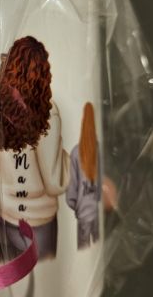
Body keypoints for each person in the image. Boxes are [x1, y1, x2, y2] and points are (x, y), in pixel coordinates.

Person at [0, 36, 69, 261]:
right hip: (36, 227)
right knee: (46, 281)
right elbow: (54, 183)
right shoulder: (48, 114)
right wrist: (68, 161)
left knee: (3, 281)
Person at [66, 102, 102, 250]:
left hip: (83, 213)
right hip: (96, 212)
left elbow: (71, 191)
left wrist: (77, 206)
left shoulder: (75, 152)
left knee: (84, 252)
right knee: (96, 249)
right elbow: (100, 184)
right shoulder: (97, 149)